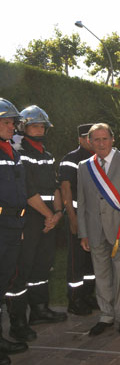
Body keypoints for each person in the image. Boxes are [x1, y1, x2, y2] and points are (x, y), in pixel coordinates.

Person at [77, 123, 120, 336]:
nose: (101, 143)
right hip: (95, 230)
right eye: (96, 139)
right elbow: (82, 201)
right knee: (101, 274)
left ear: (112, 139)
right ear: (90, 142)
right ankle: (106, 315)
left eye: (104, 138)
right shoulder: (84, 166)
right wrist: (83, 233)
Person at [6, 105, 66, 343]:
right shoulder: (19, 151)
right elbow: (28, 189)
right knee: (22, 269)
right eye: (34, 125)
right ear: (23, 126)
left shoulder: (47, 154)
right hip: (30, 220)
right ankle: (17, 321)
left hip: (49, 219)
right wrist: (48, 215)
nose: (39, 129)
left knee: (43, 266)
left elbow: (55, 186)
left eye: (42, 126)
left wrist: (58, 212)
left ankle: (39, 309)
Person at [0, 99, 29, 365]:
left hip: (12, 226)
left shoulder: (12, 151)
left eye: (13, 122)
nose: (13, 126)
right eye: (7, 122)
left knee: (4, 282)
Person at [59, 123, 97, 316]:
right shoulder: (71, 159)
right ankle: (74, 299)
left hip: (94, 219)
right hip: (77, 217)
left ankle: (88, 295)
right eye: (87, 137)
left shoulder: (98, 158)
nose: (90, 141)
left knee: (91, 261)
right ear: (80, 139)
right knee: (76, 261)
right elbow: (65, 190)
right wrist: (73, 219)